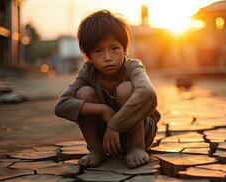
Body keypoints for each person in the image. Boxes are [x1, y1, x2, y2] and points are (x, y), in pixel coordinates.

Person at [54, 10, 160, 169]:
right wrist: (102, 109)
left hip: (140, 132)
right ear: (88, 56)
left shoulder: (133, 66)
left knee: (126, 89)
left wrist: (115, 124)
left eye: (114, 48)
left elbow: (148, 94)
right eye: (98, 51)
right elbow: (62, 105)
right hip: (106, 138)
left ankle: (136, 148)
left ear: (124, 50)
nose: (107, 57)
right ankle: (97, 150)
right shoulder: (88, 70)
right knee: (83, 93)